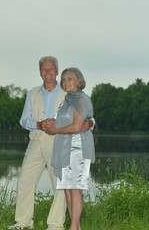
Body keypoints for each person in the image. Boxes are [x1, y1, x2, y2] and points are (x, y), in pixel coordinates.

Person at [7, 57, 92, 230]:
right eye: (44, 69)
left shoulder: (68, 90)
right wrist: (38, 124)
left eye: (51, 69)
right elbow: (24, 120)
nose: (47, 73)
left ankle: (55, 224)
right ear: (40, 72)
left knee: (60, 184)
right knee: (24, 182)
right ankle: (23, 222)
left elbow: (86, 113)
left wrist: (90, 123)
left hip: (60, 141)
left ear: (57, 71)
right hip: (36, 141)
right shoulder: (33, 93)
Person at [44, 67, 95, 230]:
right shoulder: (66, 100)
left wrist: (55, 130)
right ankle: (76, 227)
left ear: (79, 81)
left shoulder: (82, 99)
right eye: (64, 79)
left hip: (76, 148)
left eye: (70, 79)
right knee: (67, 189)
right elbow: (66, 121)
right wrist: (53, 123)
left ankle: (73, 227)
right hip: (64, 148)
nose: (66, 82)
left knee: (75, 189)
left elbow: (76, 127)